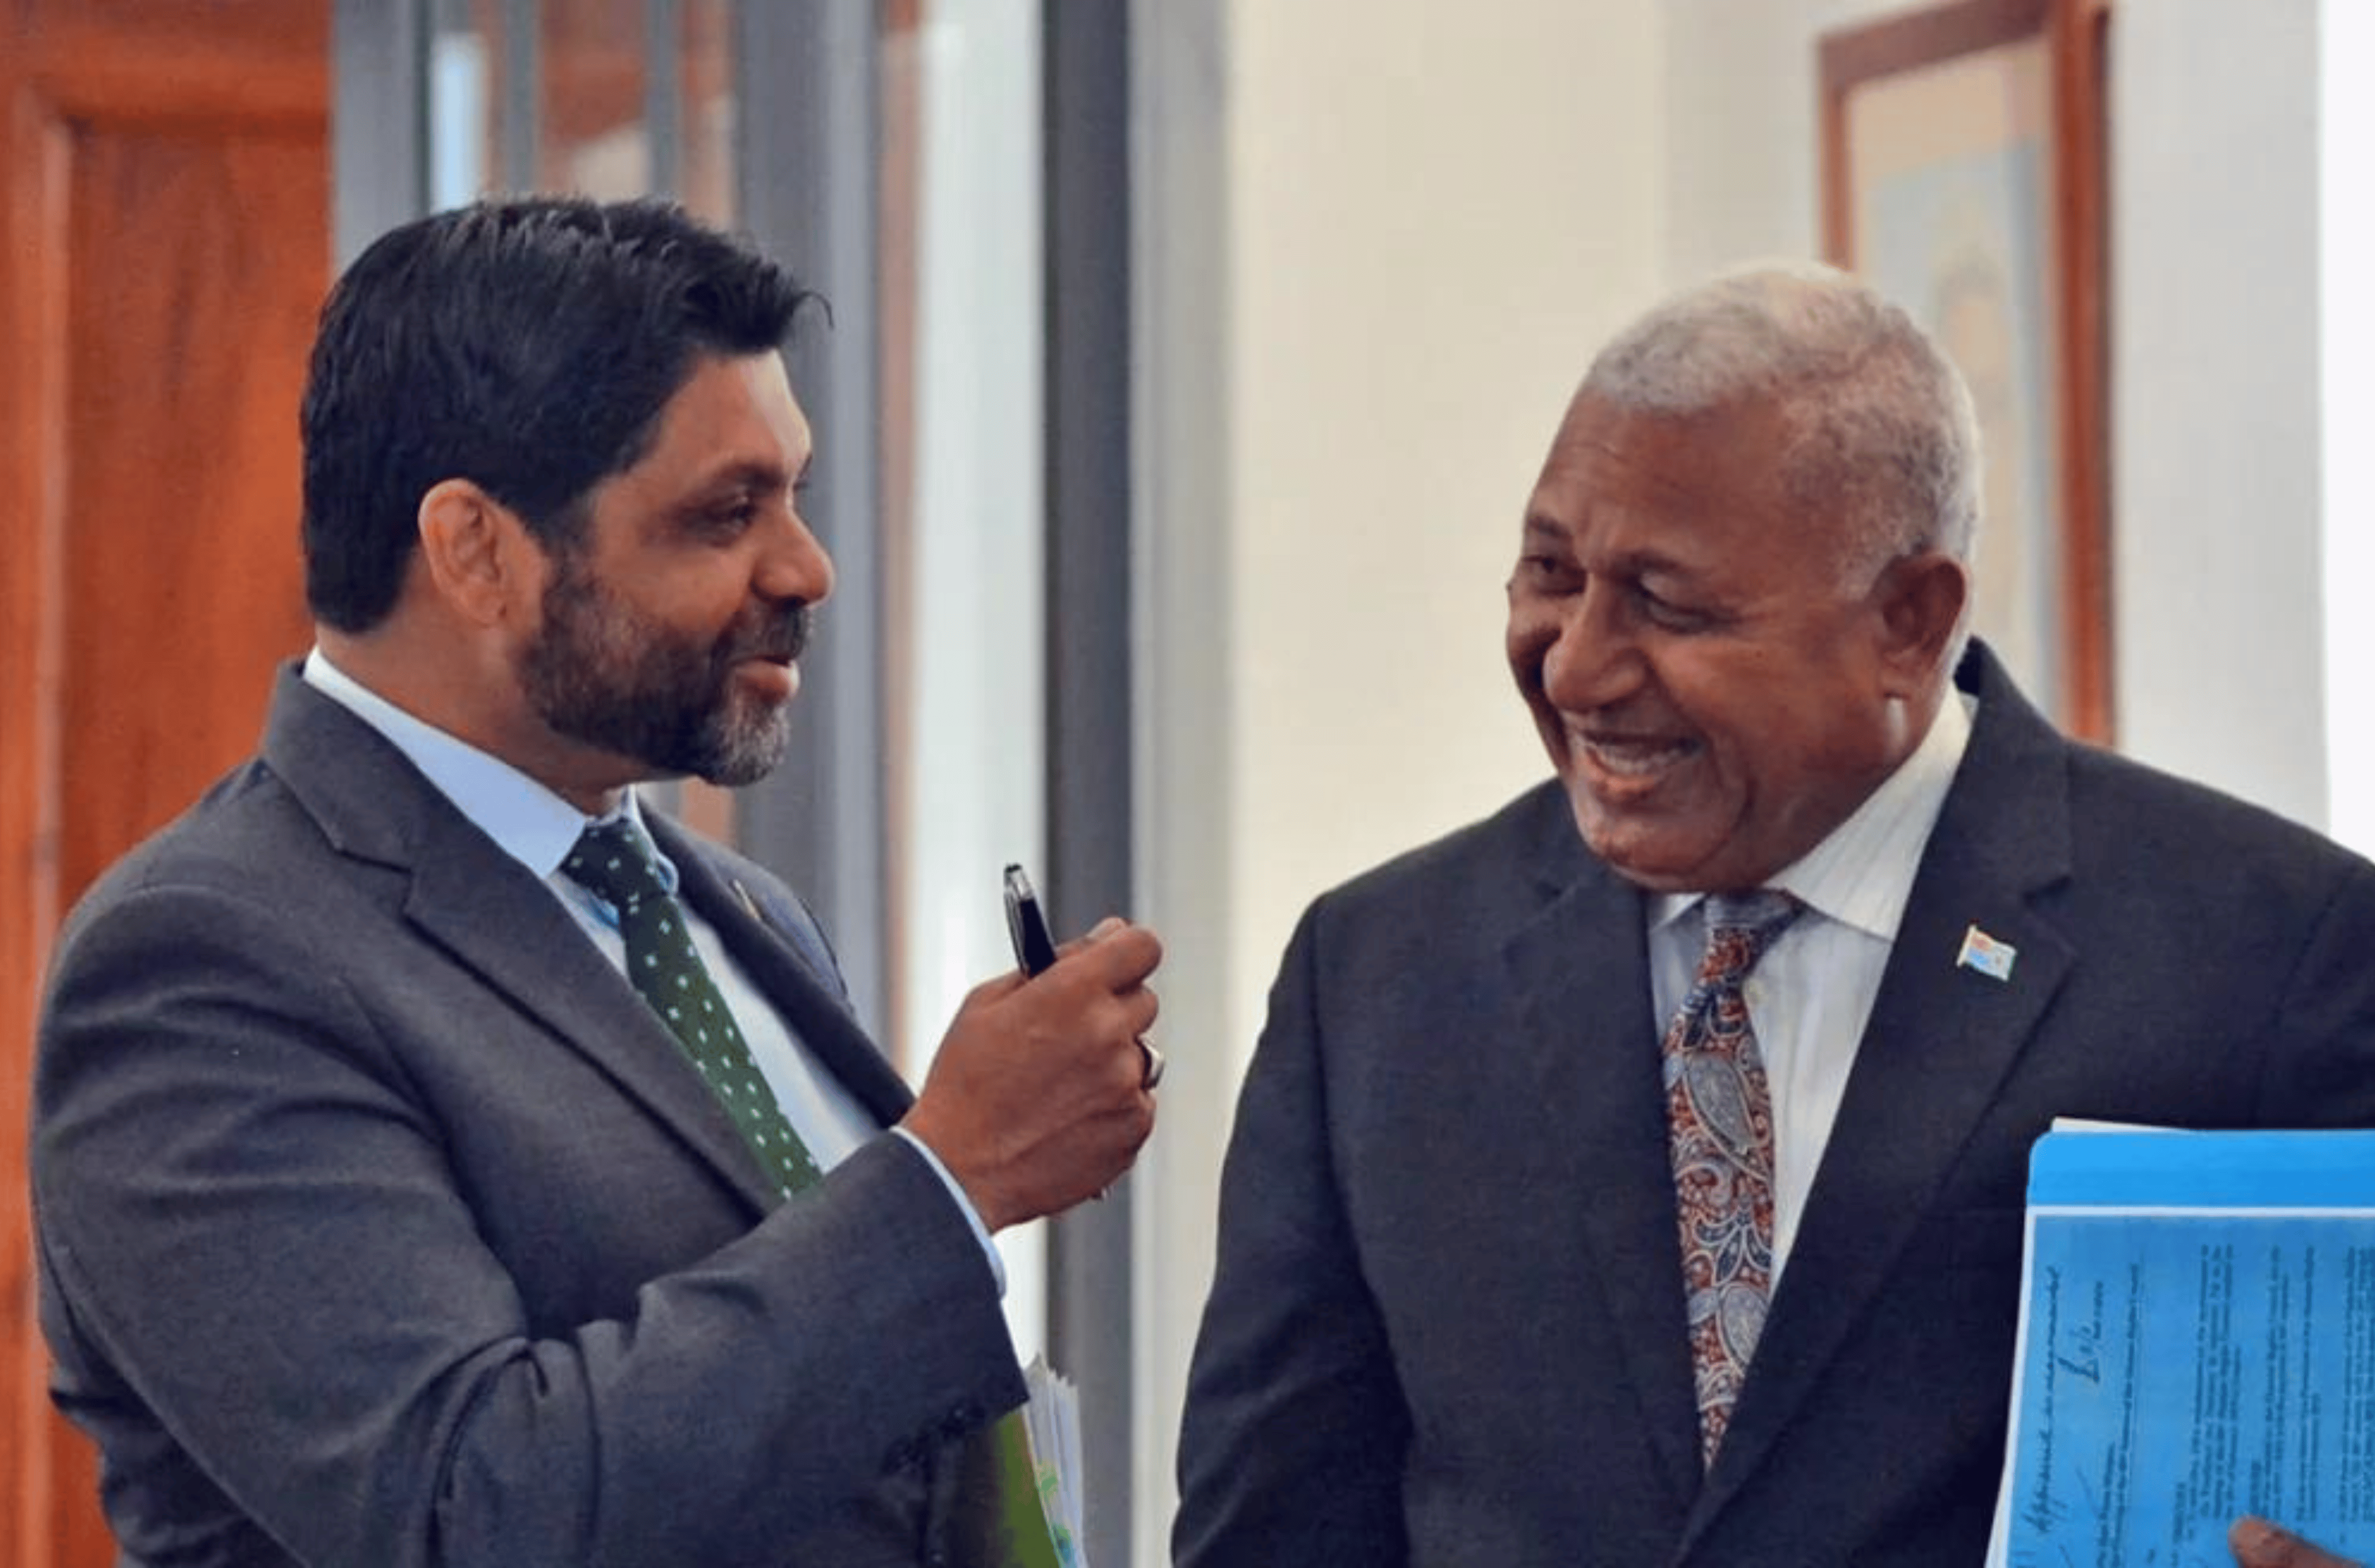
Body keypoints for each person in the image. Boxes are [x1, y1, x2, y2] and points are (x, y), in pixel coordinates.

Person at [1172, 263, 2375, 1567]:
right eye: (1550, 573)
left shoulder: (2273, 953)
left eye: (1668, 602)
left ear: (1908, 624)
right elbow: (1272, 1529)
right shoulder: (1381, 978)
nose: (1576, 662)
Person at [31, 195, 1163, 1567]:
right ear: (477, 552)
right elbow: (467, 1507)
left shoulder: (730, 911)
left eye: (793, 494)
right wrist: (950, 1176)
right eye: (724, 513)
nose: (807, 567)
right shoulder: (205, 962)